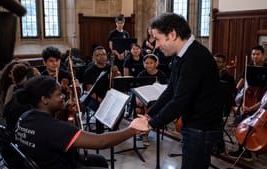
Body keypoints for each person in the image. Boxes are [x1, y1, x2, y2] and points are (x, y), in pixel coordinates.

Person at [14, 75, 149, 169]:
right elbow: (100, 142)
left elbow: (47, 137)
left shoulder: (24, 117)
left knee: (100, 160)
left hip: (43, 162)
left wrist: (62, 110)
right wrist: (132, 129)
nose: (63, 97)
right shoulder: (53, 128)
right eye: (58, 95)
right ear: (44, 100)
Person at [143, 13, 223, 169]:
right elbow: (171, 90)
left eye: (158, 39)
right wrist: (149, 114)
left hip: (201, 128)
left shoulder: (194, 57)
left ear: (172, 34)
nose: (156, 45)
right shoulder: (180, 55)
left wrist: (151, 124)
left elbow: (180, 100)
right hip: (193, 124)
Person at [136, 53, 167, 146]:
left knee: (150, 111)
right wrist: (138, 99)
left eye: (151, 63)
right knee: (138, 109)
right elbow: (137, 89)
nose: (148, 65)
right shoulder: (141, 74)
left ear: (156, 63)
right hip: (144, 98)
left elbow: (165, 90)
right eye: (146, 63)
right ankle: (141, 130)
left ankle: (145, 132)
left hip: (157, 99)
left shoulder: (161, 74)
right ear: (143, 64)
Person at [82, 46, 111, 133]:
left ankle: (113, 130)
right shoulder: (89, 71)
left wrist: (117, 74)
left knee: (120, 108)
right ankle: (100, 133)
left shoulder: (111, 68)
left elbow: (116, 85)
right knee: (100, 108)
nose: (102, 56)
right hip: (94, 97)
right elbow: (89, 91)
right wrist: (101, 101)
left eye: (103, 54)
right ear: (94, 57)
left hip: (108, 96)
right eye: (98, 55)